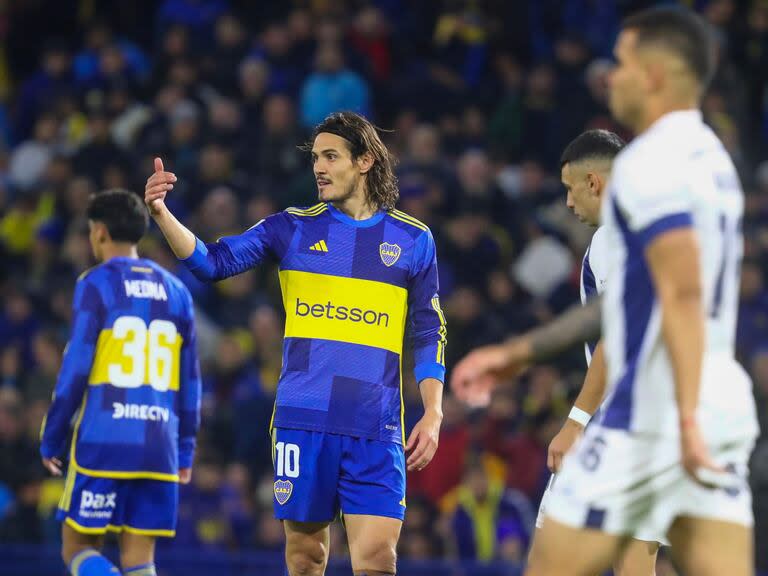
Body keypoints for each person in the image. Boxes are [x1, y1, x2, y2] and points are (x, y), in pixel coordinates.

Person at [451, 7, 758, 576]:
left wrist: (573, 418)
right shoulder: (712, 162)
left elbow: (628, 319)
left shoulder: (642, 189)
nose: (609, 75)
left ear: (657, 75)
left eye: (621, 62)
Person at [144, 111, 447, 576]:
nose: (319, 168)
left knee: (378, 559)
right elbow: (212, 262)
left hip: (376, 423)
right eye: (315, 159)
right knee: (307, 558)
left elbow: (428, 329)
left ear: (365, 161)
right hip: (304, 418)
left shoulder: (412, 239)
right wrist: (163, 214)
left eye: (331, 156)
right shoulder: (292, 228)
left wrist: (433, 410)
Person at [520, 129, 666, 576]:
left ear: (593, 182)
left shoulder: (613, 238)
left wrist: (576, 421)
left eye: (569, 189)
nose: (567, 203)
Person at [40, 189, 202, 576]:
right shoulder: (176, 291)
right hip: (159, 446)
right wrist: (185, 449)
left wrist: (53, 435)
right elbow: (191, 381)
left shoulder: (95, 284)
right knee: (140, 559)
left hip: (105, 440)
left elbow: (75, 369)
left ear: (98, 232)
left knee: (76, 546)